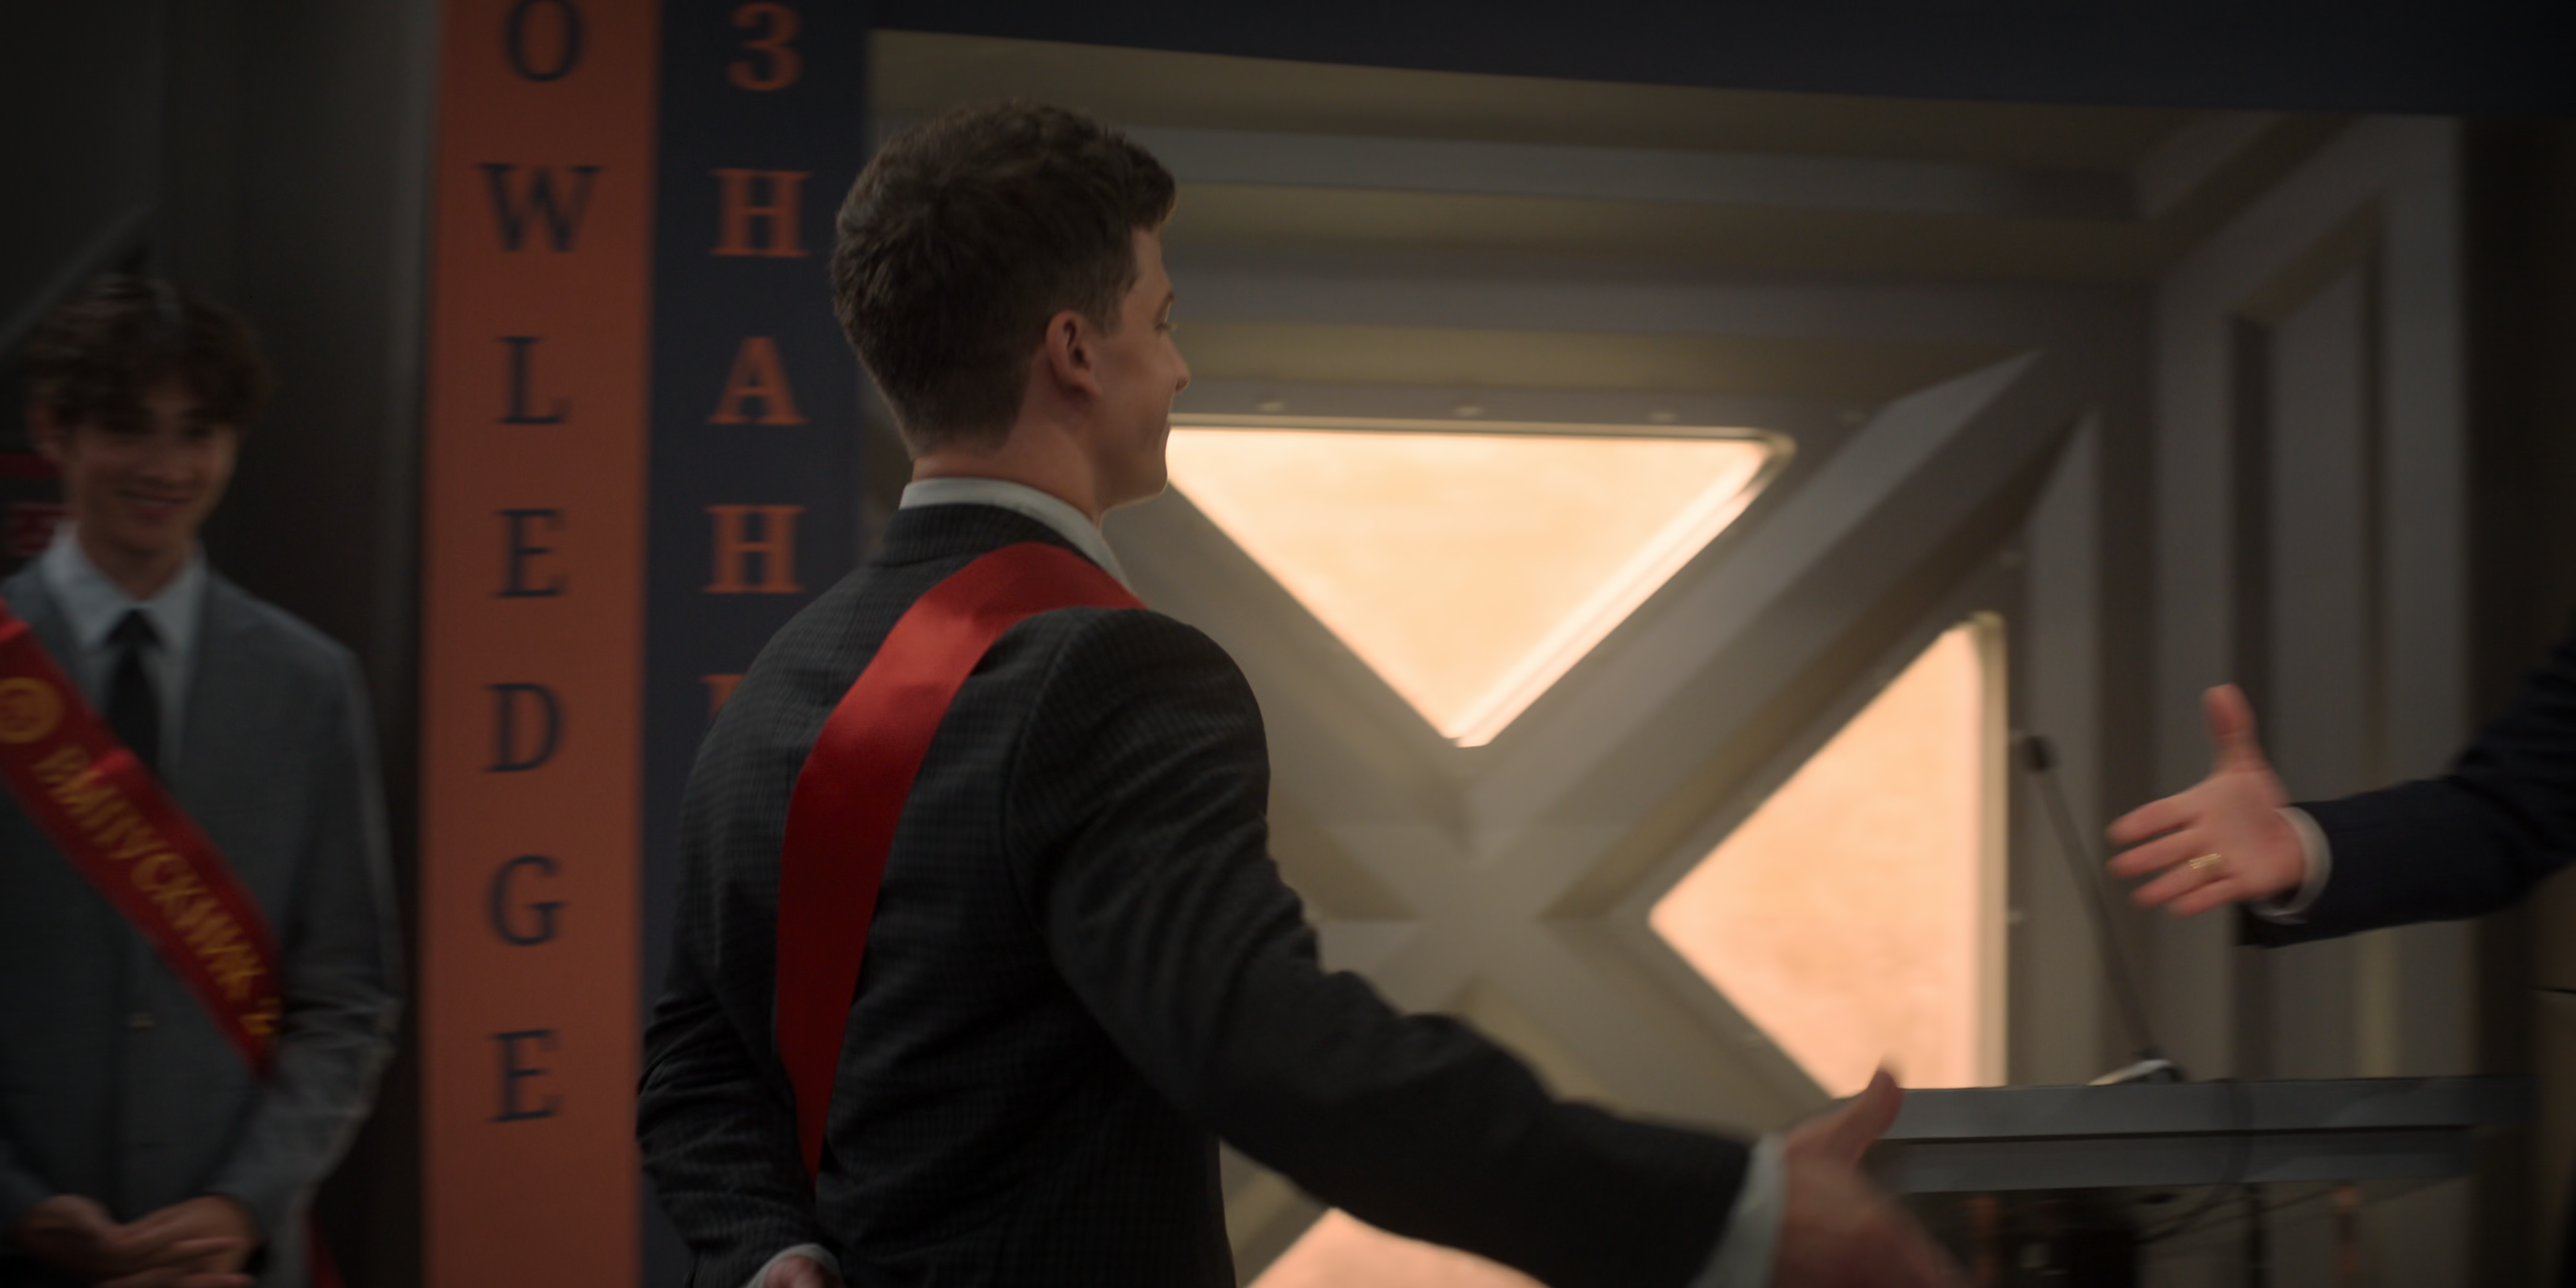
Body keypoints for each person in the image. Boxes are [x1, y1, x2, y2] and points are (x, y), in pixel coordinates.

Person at [637, 101, 1961, 1288]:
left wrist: (772, 1256)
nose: (1180, 367)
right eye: (1162, 322)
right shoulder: (1111, 675)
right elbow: (1277, 1053)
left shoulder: (776, 690)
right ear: (1075, 353)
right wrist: (1737, 1215)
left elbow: (695, 1062)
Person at [0, 278, 400, 1287]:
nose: (167, 466)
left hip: (232, 1260)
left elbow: (347, 997)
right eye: (128, 428)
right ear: (52, 429)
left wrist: (241, 1205)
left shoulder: (310, 682)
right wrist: (17, 1206)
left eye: (199, 432)